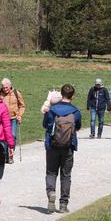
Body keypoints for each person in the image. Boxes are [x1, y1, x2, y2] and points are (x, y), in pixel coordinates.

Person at [43, 83, 81, 214]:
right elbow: (78, 126)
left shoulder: (52, 110)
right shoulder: (75, 112)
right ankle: (63, 204)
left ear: (61, 94)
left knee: (51, 172)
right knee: (66, 175)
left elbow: (45, 125)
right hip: (68, 147)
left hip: (52, 146)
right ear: (72, 96)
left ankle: (51, 194)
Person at [0, 78, 25, 164]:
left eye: (6, 87)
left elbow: (22, 106)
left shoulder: (16, 93)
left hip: (13, 118)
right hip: (3, 119)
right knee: (4, 138)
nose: (5, 89)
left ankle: (10, 155)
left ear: (10, 86)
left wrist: (20, 115)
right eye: (3, 87)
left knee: (12, 136)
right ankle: (5, 156)